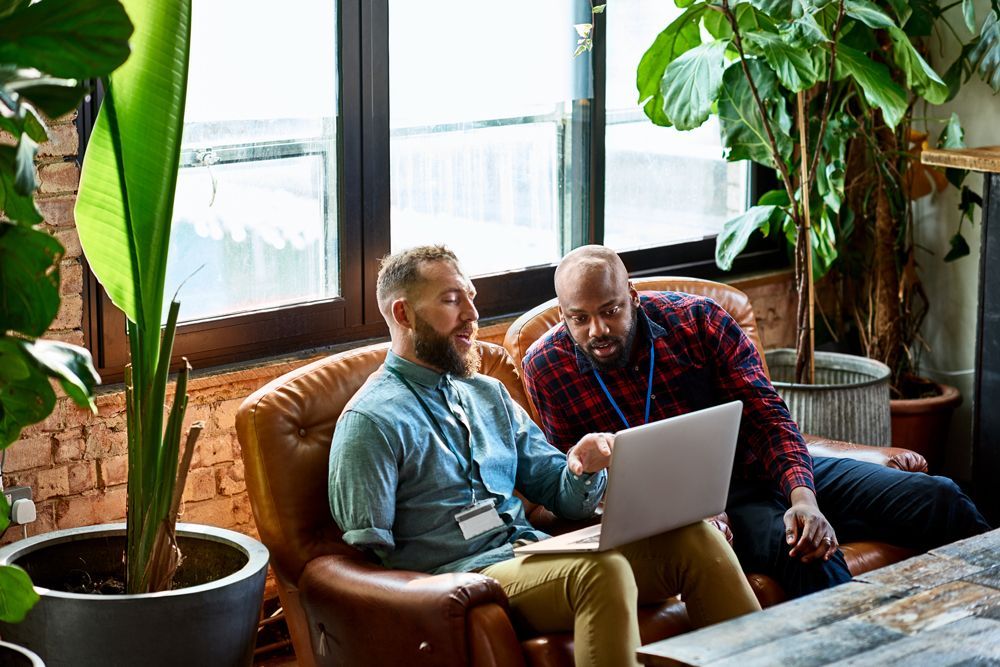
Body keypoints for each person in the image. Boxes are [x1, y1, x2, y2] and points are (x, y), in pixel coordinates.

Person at [328, 245, 761, 667]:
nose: (472, 316)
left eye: (471, 299)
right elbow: (368, 555)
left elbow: (561, 493)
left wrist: (582, 465)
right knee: (601, 572)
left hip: (531, 554)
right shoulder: (370, 421)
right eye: (451, 300)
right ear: (403, 314)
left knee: (695, 538)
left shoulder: (488, 393)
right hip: (459, 579)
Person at [521, 245, 992, 599]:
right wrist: (680, 517)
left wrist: (803, 497)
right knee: (807, 556)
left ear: (634, 297)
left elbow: (768, 418)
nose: (597, 331)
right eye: (578, 319)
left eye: (610, 311)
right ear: (563, 315)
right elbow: (579, 493)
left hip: (762, 468)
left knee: (940, 498)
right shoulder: (547, 366)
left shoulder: (698, 322)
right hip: (704, 511)